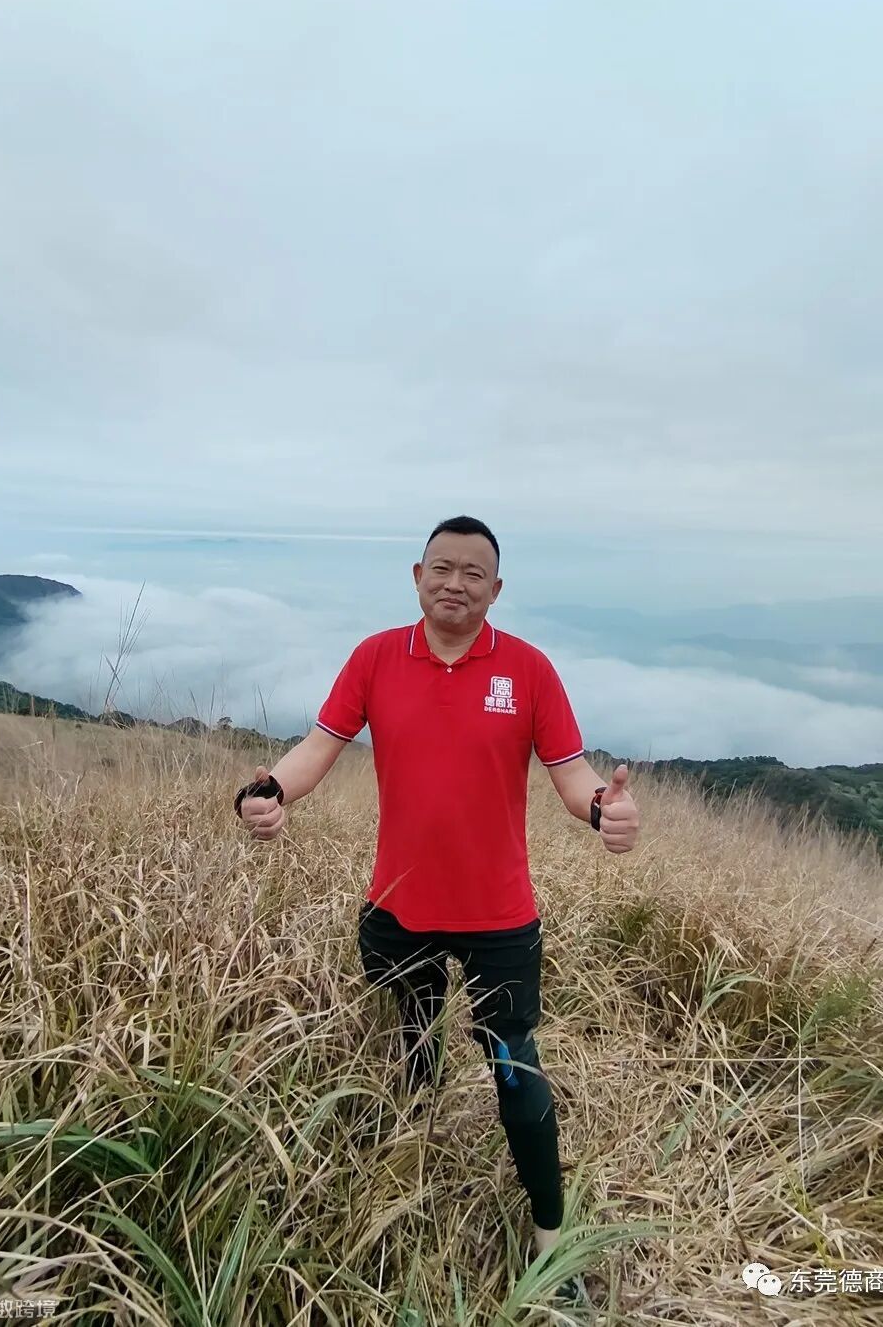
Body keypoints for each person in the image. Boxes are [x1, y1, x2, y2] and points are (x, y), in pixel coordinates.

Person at [235, 514, 640, 1308]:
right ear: (417, 576)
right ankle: (407, 1187)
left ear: (497, 588)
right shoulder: (377, 657)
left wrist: (605, 808)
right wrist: (269, 791)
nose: (456, 583)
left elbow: (571, 775)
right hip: (399, 907)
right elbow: (317, 748)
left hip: (499, 917)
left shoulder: (528, 669)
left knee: (515, 1067)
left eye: (473, 572)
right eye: (442, 568)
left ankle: (550, 1243)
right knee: (413, 1046)